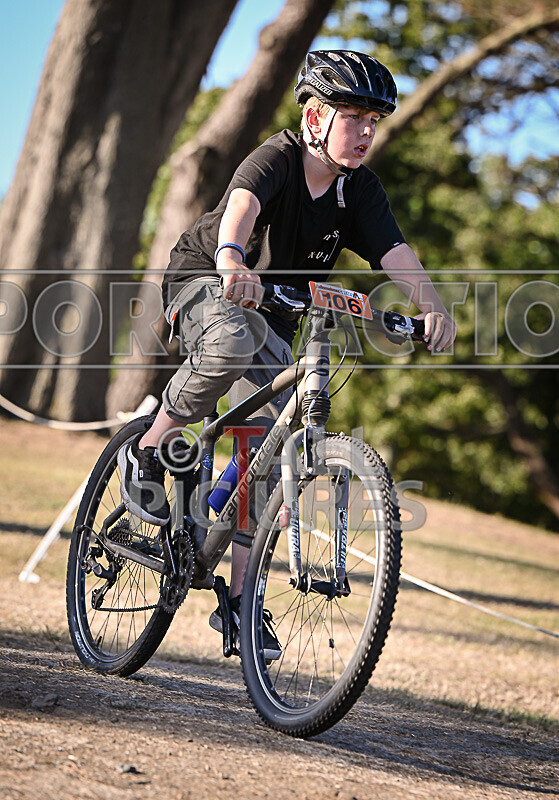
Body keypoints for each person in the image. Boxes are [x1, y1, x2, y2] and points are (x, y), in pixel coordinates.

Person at [118, 50, 457, 659]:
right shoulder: (277, 156)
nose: (367, 133)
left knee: (272, 449)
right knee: (231, 338)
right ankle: (148, 448)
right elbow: (244, 204)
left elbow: (395, 254)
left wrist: (432, 307)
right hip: (209, 279)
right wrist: (231, 258)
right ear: (315, 117)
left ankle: (243, 604)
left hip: (275, 308)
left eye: (374, 121)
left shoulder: (360, 191)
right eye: (354, 117)